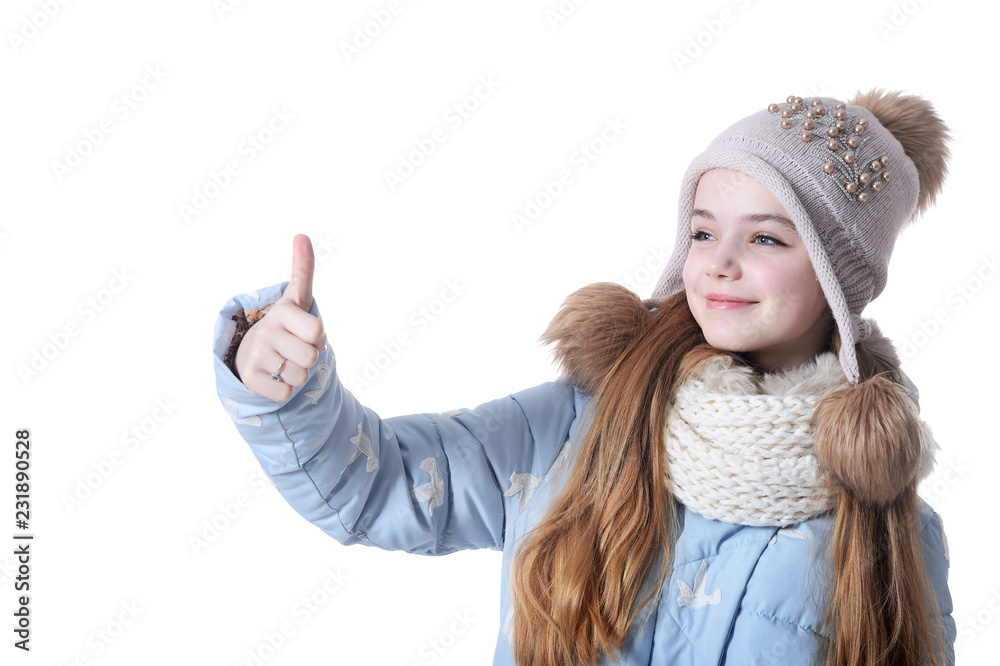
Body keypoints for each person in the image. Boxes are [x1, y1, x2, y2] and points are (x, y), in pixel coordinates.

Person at [212, 88, 955, 665]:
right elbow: (377, 486)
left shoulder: (886, 521)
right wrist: (285, 390)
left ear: (837, 272)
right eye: (702, 229)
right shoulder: (578, 425)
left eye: (765, 236)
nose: (719, 261)